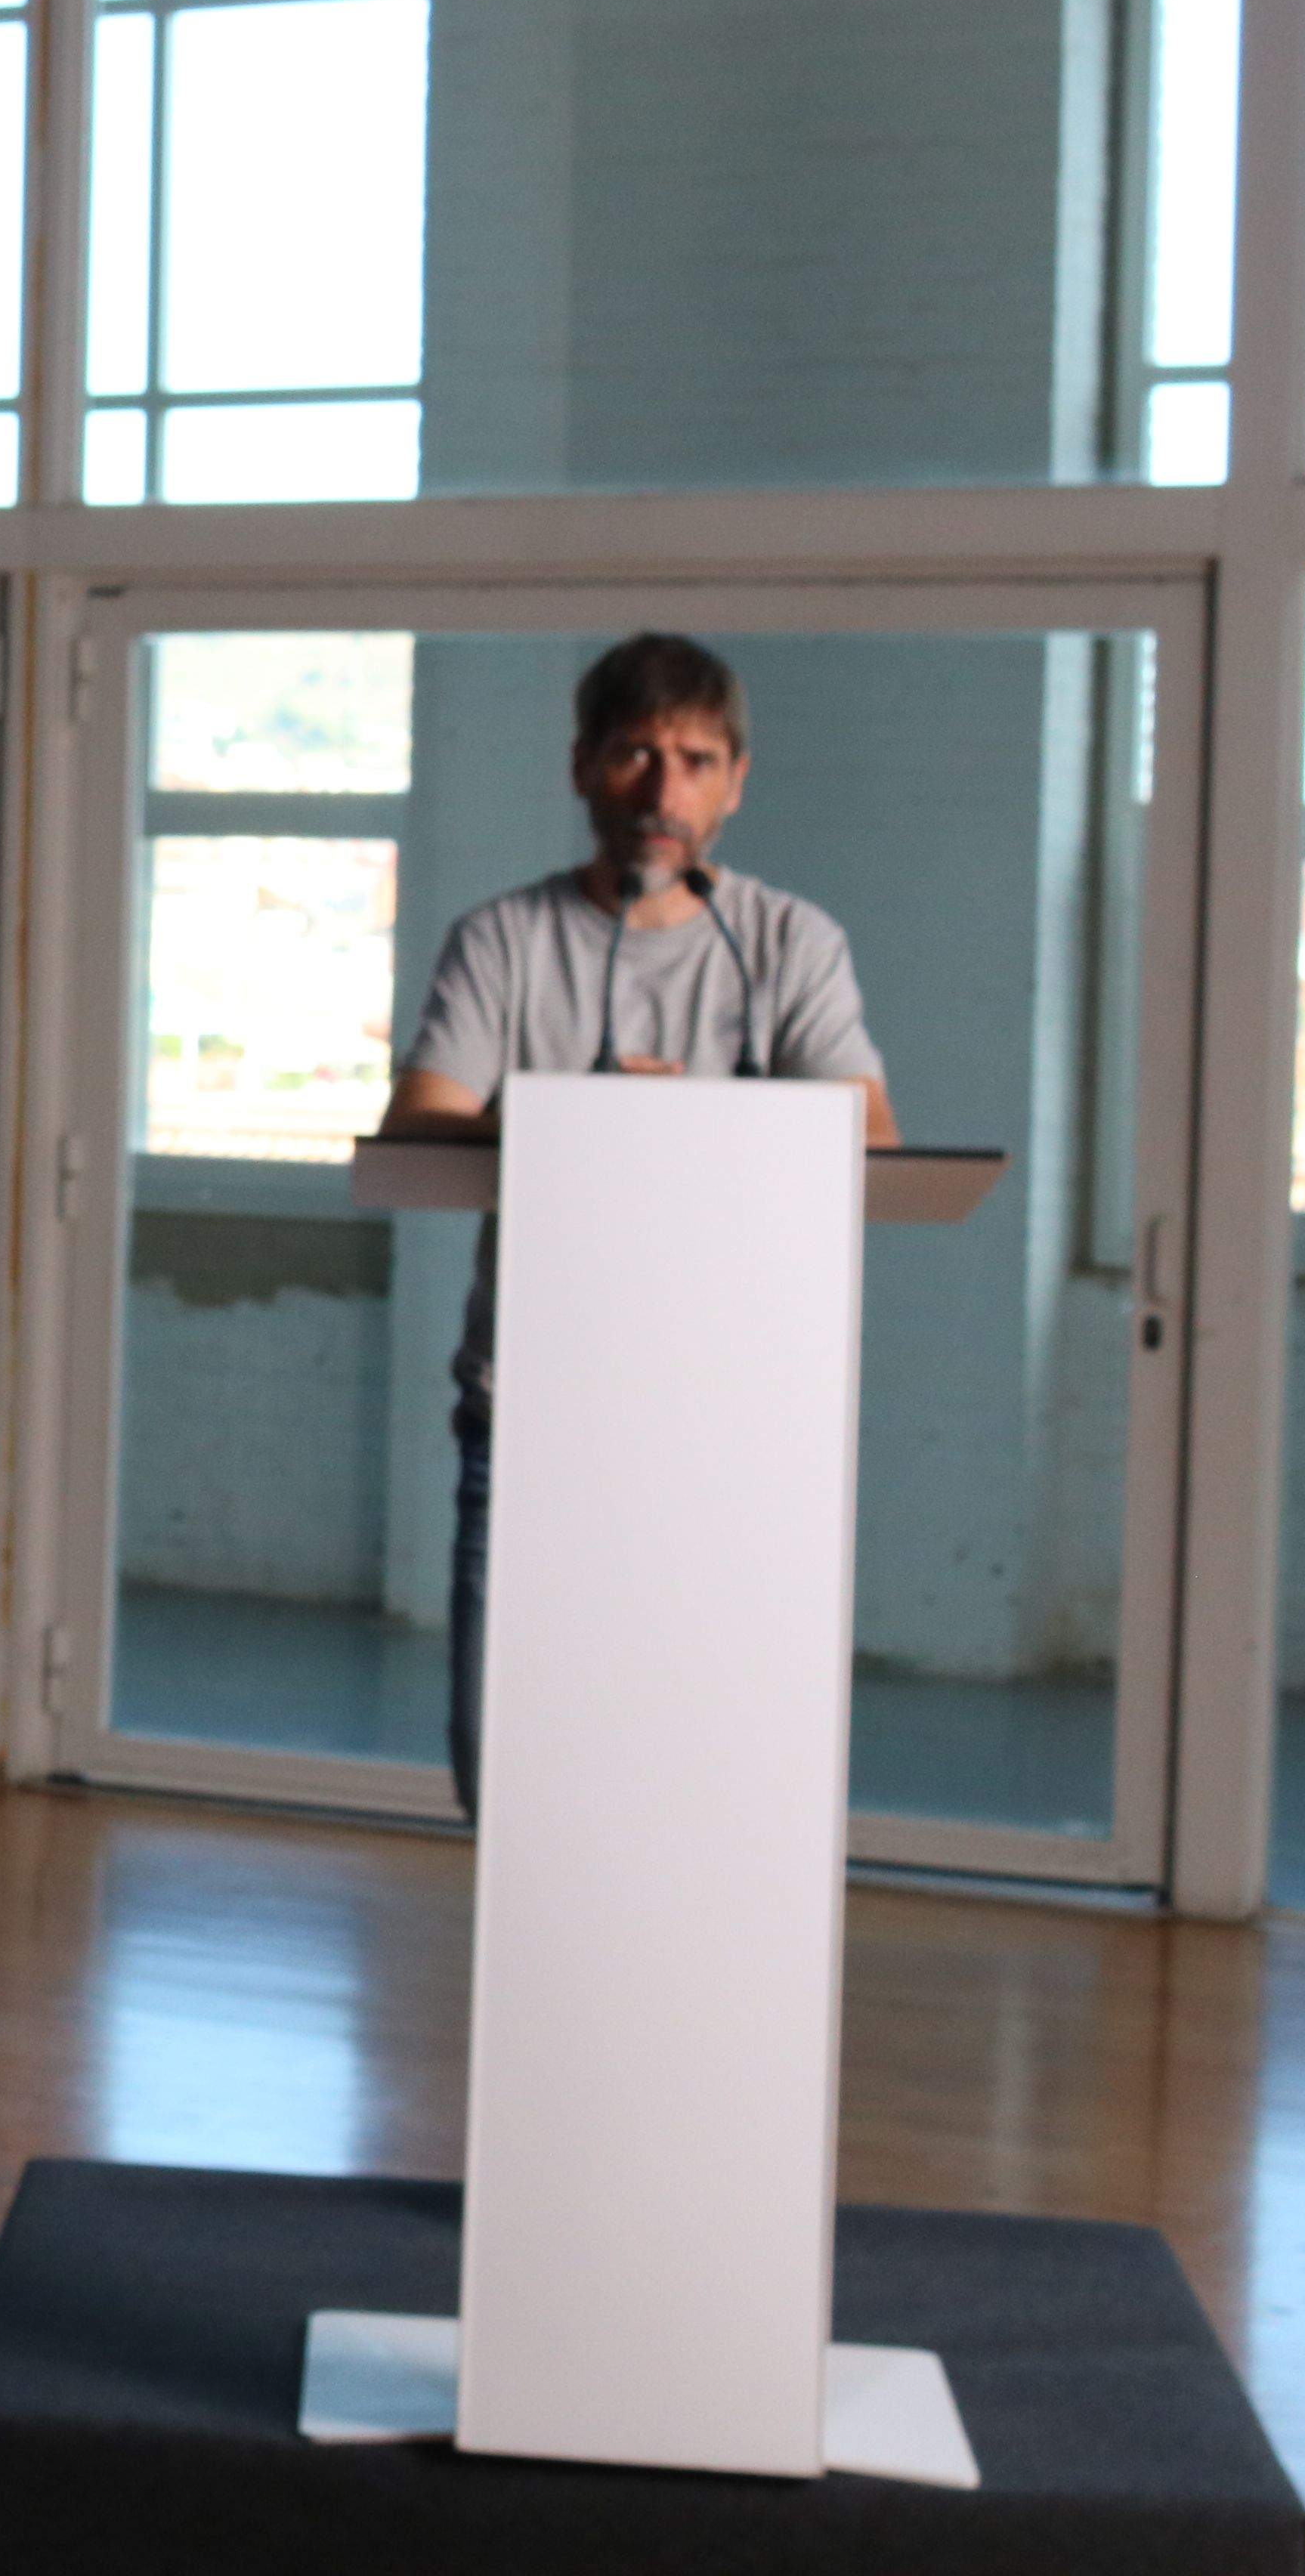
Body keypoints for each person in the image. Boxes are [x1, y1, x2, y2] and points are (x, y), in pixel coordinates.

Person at [379, 632, 896, 1820]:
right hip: (531, 1421)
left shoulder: (787, 946)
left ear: (736, 783)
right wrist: (562, 1122)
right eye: (636, 754)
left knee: (700, 1788)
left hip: (734, 1424)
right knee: (504, 1777)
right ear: (583, 768)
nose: (665, 791)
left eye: (697, 760)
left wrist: (688, 1130)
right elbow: (421, 1130)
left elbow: (869, 1145)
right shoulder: (504, 941)